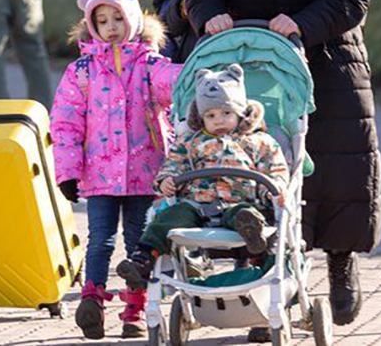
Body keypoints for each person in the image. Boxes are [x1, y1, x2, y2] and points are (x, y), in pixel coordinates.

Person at [187, 0, 379, 327]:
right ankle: (263, 288)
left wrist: (302, 22)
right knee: (257, 170)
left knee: (336, 166)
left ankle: (340, 264)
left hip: (327, 57)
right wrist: (210, 14)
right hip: (251, 62)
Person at [49, 0, 181, 340]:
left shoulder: (150, 64)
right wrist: (68, 172)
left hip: (144, 169)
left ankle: (135, 311)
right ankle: (92, 297)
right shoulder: (82, 71)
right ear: (91, 26)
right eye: (102, 21)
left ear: (134, 20)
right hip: (99, 173)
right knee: (100, 238)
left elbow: (175, 81)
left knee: (140, 241)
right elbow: (65, 123)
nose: (111, 28)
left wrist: (200, 76)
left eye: (118, 19)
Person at [116, 64, 288, 288]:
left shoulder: (258, 141)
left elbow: (274, 170)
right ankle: (143, 259)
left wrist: (275, 191)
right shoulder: (190, 142)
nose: (219, 120)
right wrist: (166, 181)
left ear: (240, 112)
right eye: (211, 115)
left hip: (240, 202)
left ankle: (252, 233)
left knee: (245, 213)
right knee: (169, 217)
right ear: (201, 117)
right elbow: (173, 165)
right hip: (196, 205)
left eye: (227, 113)